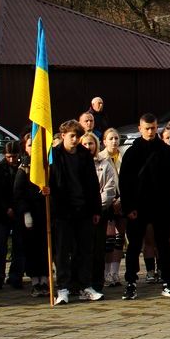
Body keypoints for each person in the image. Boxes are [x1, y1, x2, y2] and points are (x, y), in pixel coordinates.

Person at [118, 113, 170, 300]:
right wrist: (128, 207)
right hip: (138, 207)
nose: (151, 132)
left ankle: (167, 280)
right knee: (135, 245)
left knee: (163, 245)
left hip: (161, 205)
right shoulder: (132, 152)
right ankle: (130, 282)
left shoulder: (166, 151)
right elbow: (125, 182)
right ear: (140, 129)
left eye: (153, 128)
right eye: (147, 128)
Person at [49, 120, 103, 305]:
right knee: (63, 251)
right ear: (63, 135)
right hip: (63, 210)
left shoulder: (84, 155)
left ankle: (84, 286)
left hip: (84, 209)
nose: (75, 140)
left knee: (85, 250)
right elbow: (49, 179)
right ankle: (62, 288)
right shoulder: (54, 155)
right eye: (71, 136)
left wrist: (96, 208)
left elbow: (92, 183)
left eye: (77, 136)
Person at [80, 132, 119, 291]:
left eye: (91, 143)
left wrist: (95, 207)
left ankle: (97, 282)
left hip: (99, 213)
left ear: (96, 145)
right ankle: (80, 282)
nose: (88, 147)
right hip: (81, 214)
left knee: (98, 249)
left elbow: (109, 190)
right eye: (85, 144)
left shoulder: (105, 163)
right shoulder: (76, 163)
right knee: (82, 250)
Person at [13, 133, 50, 297]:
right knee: (32, 248)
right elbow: (18, 194)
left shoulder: (46, 166)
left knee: (45, 247)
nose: (33, 149)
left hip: (45, 212)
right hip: (31, 215)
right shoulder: (23, 169)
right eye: (30, 145)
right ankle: (36, 281)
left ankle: (45, 279)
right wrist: (26, 212)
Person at [99, 128, 126, 286]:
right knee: (109, 238)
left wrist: (122, 199)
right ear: (104, 141)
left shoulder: (123, 156)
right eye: (111, 138)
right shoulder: (100, 158)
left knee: (119, 238)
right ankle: (105, 272)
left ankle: (115, 273)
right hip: (107, 202)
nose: (114, 141)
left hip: (122, 201)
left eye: (116, 138)